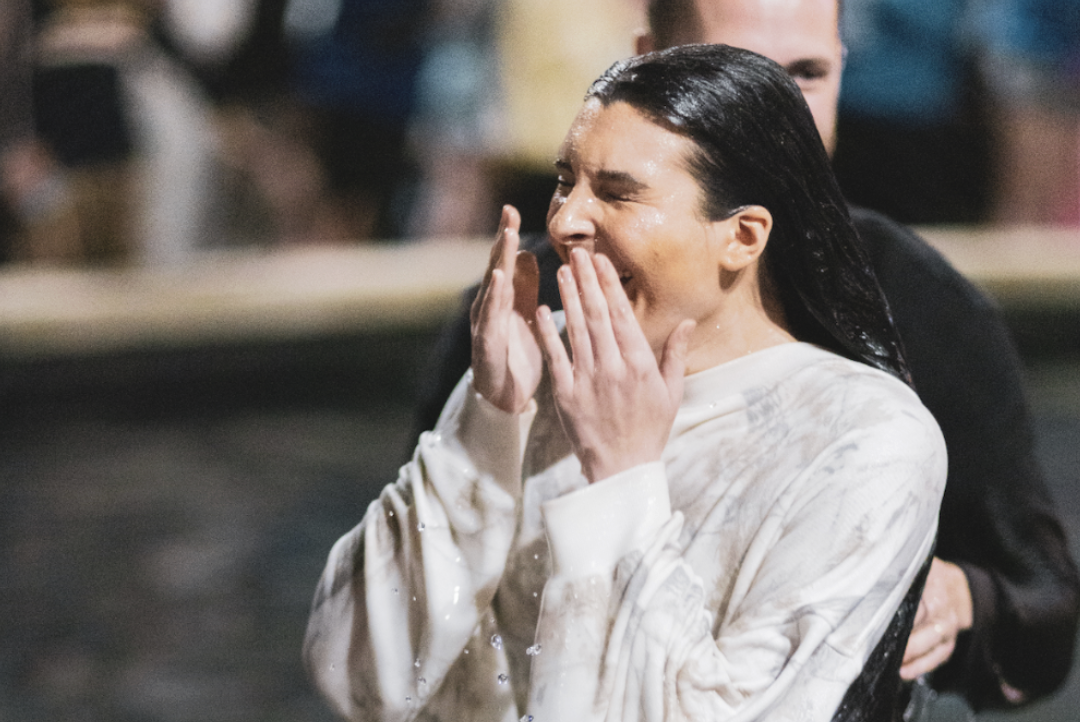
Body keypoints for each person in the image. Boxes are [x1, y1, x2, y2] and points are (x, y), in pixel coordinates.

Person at [413, 0, 1080, 713]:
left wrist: (966, 598)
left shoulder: (922, 308)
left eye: (810, 75)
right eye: (740, 75)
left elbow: (1044, 618)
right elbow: (413, 620)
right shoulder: (523, 308)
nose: (780, 116)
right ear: (645, 68)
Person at [306, 44, 946, 721]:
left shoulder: (867, 440)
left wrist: (621, 477)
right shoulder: (536, 375)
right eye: (564, 181)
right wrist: (484, 429)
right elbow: (356, 680)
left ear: (744, 236)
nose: (563, 222)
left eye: (616, 193)